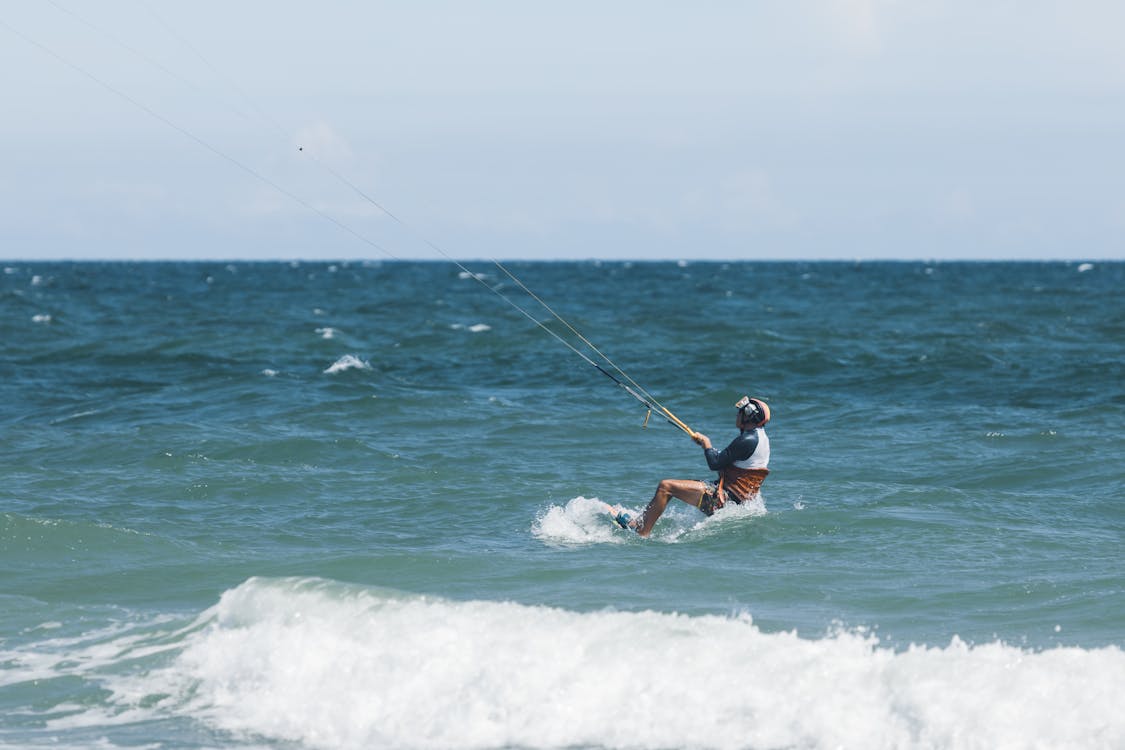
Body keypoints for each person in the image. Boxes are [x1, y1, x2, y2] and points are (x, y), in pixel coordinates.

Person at [622, 396, 771, 537]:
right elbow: (728, 461)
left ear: (748, 415)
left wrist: (707, 445)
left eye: (740, 412)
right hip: (734, 500)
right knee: (674, 486)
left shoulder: (747, 439)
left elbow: (715, 463)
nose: (737, 415)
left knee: (665, 487)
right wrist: (708, 448)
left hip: (722, 501)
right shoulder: (761, 439)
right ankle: (640, 523)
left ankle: (641, 533)